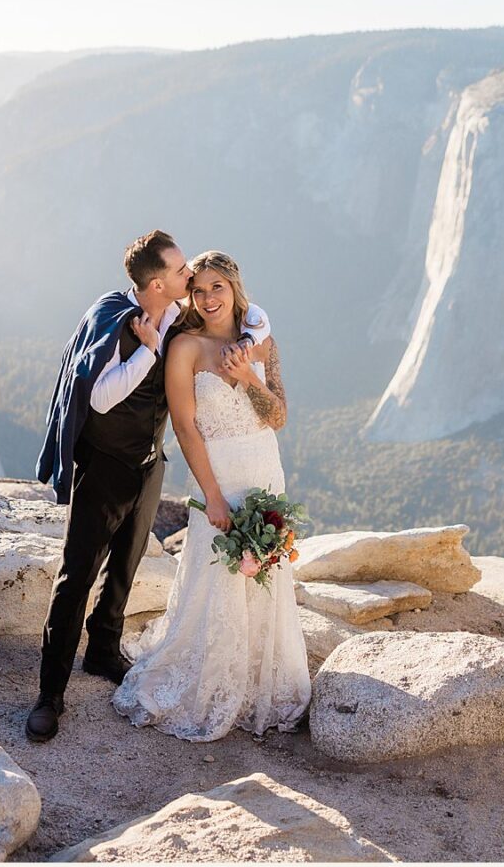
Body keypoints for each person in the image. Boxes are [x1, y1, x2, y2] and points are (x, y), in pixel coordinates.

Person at [29, 231, 271, 743]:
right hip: (105, 468)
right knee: (77, 576)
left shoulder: (181, 314)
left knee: (127, 564)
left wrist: (249, 345)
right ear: (158, 282)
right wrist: (148, 351)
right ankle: (49, 695)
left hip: (148, 464)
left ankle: (102, 649)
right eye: (183, 272)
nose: (191, 278)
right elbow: (98, 397)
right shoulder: (122, 322)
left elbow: (253, 317)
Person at [111, 250, 310, 741]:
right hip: (219, 473)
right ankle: (212, 679)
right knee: (215, 576)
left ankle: (259, 678)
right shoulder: (186, 347)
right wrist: (213, 497)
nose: (207, 298)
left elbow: (278, 417)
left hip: (265, 471)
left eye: (216, 287)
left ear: (235, 287)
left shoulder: (262, 344)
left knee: (265, 570)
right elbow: (184, 427)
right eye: (198, 290)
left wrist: (246, 378)